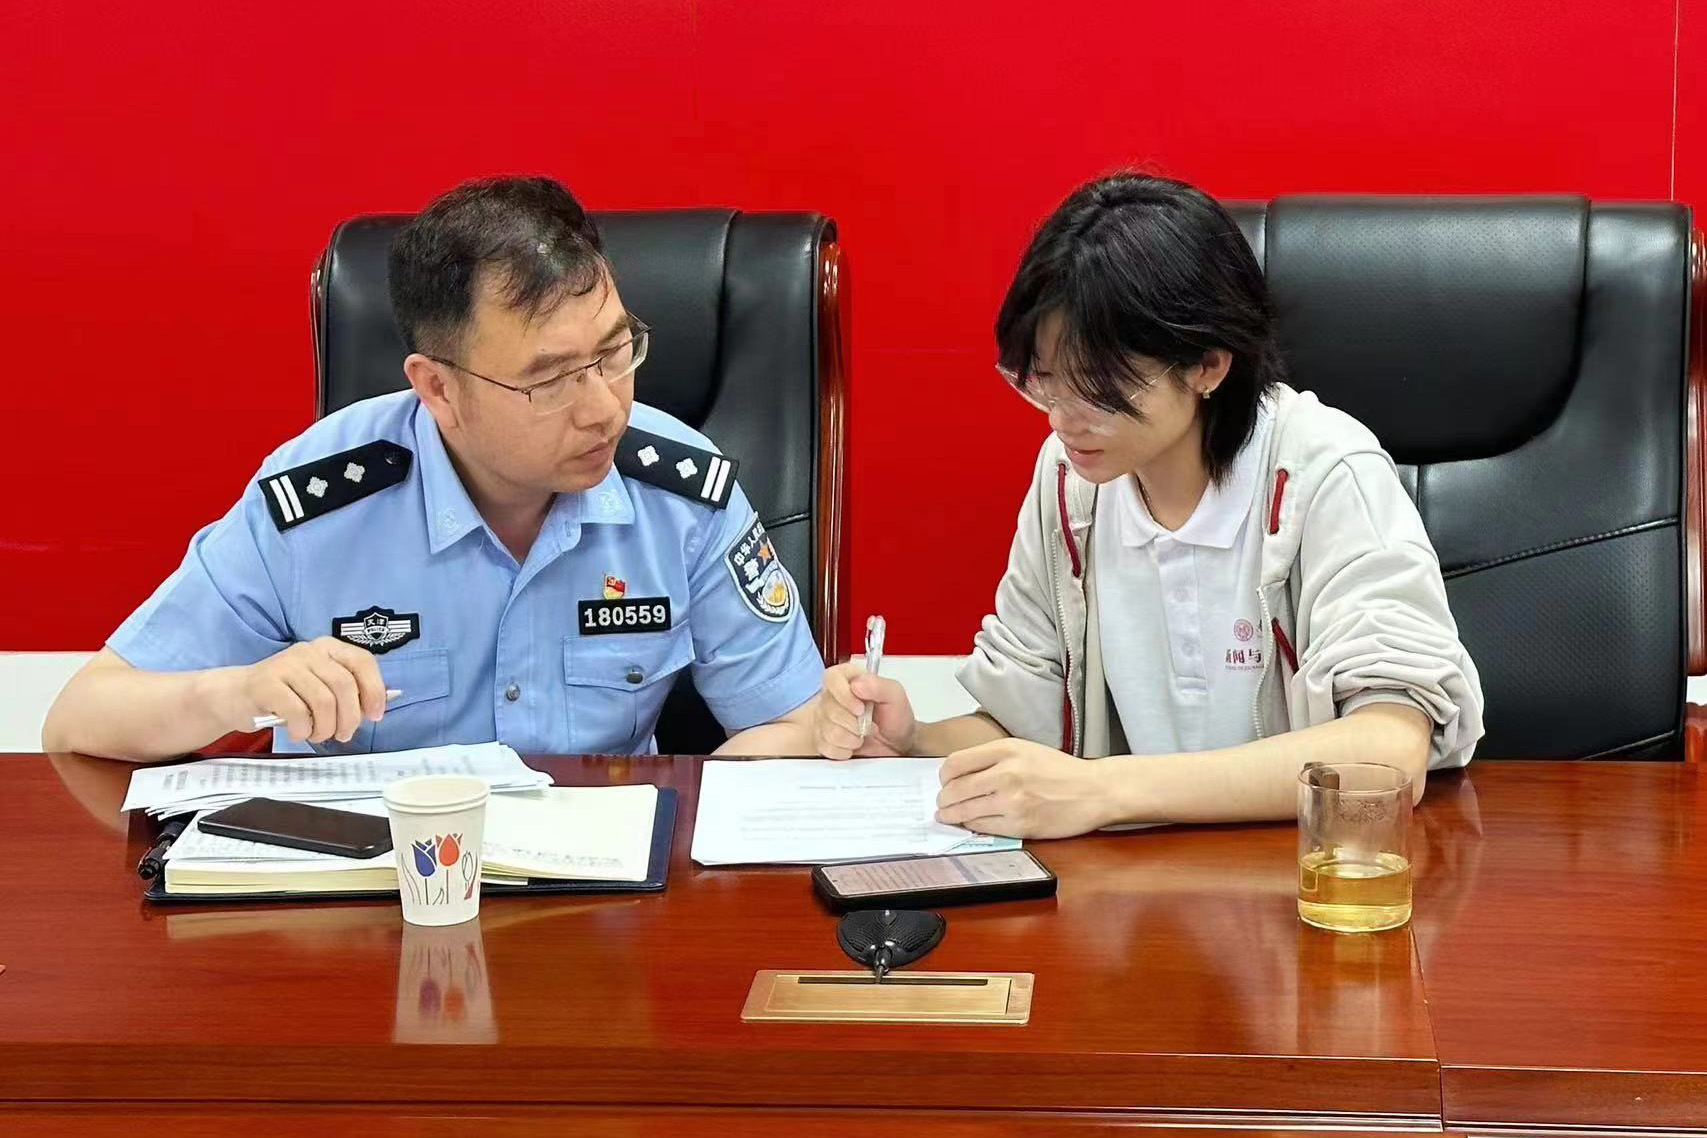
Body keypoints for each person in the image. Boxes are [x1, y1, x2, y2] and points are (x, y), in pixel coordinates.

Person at [44, 176, 821, 761]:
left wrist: (816, 740)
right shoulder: (318, 500)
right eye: (550, 379)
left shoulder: (682, 492)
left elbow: (789, 721)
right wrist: (239, 690)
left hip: (605, 898)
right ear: (438, 388)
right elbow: (81, 719)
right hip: (371, 901)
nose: (603, 410)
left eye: (615, 352)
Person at [809, 173, 1484, 838]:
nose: (1062, 420)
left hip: (1308, 873)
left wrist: (1104, 791)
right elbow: (1026, 727)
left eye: (1098, 389)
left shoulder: (1323, 472)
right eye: (1045, 381)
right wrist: (911, 738)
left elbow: (1388, 748)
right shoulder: (1070, 486)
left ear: (1208, 366)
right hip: (1143, 883)